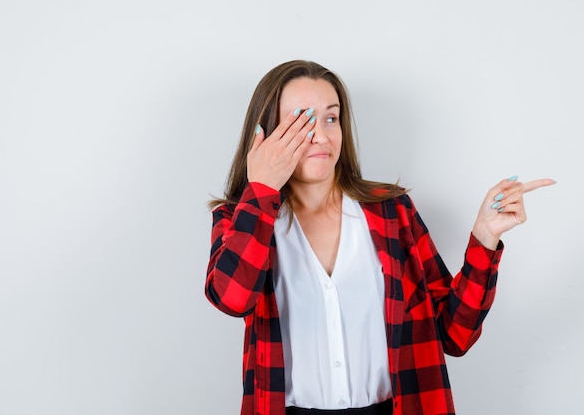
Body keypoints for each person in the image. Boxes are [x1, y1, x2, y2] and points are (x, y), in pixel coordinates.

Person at [205, 60, 555, 415]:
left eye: (330, 118)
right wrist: (261, 188)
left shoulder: (393, 211)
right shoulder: (240, 219)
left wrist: (485, 237)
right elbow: (232, 299)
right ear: (265, 135)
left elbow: (454, 335)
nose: (321, 136)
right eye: (300, 121)